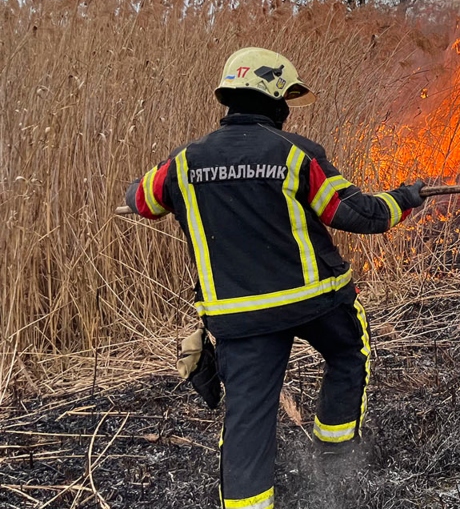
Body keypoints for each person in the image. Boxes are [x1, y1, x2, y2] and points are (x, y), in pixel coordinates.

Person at [126, 47, 424, 509]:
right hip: (316, 301)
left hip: (239, 316)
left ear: (230, 98)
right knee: (349, 353)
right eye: (286, 99)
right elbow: (359, 214)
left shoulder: (183, 163)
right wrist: (405, 198)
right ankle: (337, 459)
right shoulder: (296, 154)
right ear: (275, 99)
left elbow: (141, 200)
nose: (288, 109)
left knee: (247, 413)